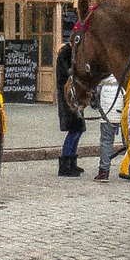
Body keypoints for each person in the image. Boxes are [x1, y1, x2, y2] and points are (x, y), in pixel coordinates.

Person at [54, 43, 85, 177]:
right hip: (68, 97)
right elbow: (70, 73)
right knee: (74, 130)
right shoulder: (66, 53)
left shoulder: (71, 52)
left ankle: (72, 161)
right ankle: (66, 164)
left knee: (78, 130)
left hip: (74, 95)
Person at [93, 74, 124, 182]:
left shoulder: (104, 74)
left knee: (106, 141)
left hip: (107, 105)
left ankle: (104, 171)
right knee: (129, 141)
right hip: (124, 98)